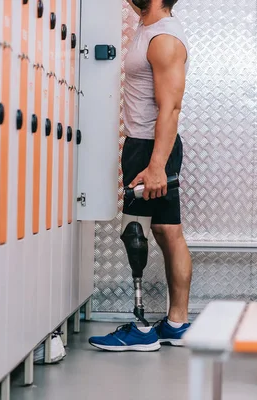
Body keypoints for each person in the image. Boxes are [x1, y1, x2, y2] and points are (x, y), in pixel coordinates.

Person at [88, 0, 192, 352]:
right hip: (143, 144)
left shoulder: (164, 38)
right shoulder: (146, 26)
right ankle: (176, 324)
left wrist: (157, 165)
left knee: (135, 231)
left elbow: (171, 107)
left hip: (151, 148)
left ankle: (141, 327)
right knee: (166, 230)